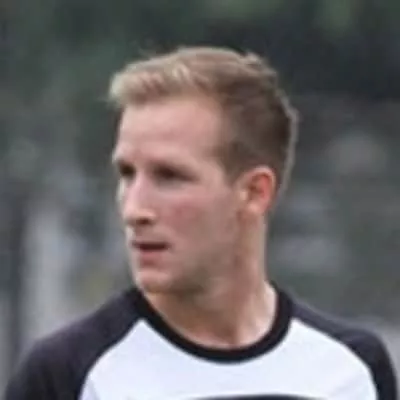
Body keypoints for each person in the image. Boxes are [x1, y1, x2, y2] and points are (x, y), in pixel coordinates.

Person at [4, 46, 397, 400]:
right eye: (127, 173)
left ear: (254, 193)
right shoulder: (65, 376)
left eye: (169, 176)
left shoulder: (351, 370)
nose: (134, 209)